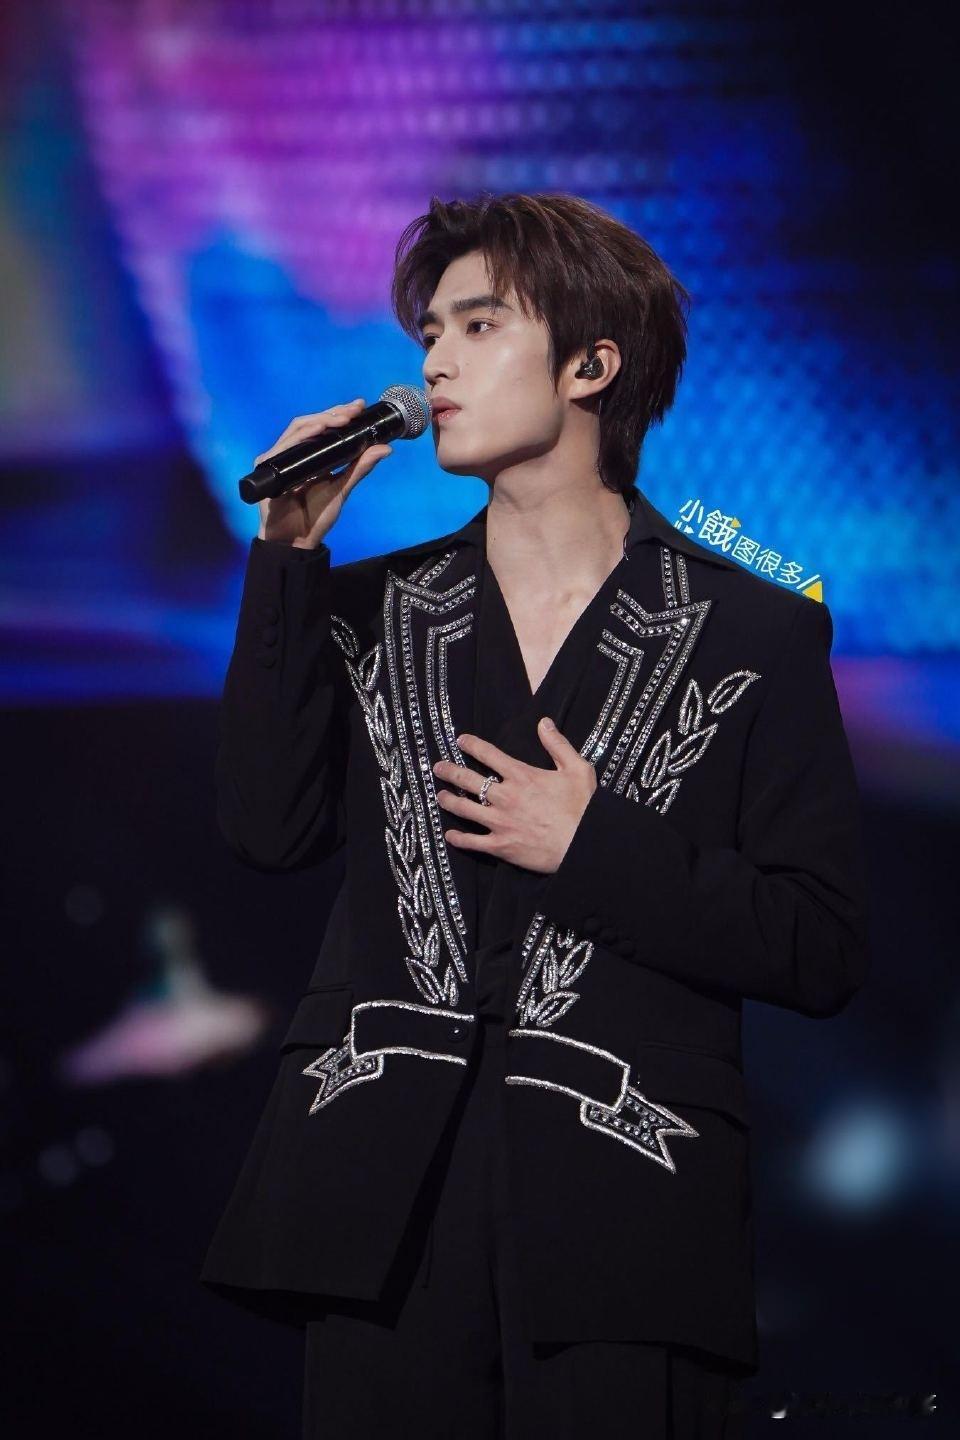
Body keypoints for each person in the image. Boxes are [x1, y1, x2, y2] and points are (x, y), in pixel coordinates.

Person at [201, 192, 871, 1438]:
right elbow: (267, 827)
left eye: (478, 325)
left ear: (590, 365)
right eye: (428, 335)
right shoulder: (365, 611)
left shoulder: (757, 633)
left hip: (626, 1218)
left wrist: (595, 848)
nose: (434, 365)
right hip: (379, 1209)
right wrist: (285, 561)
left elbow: (820, 941)